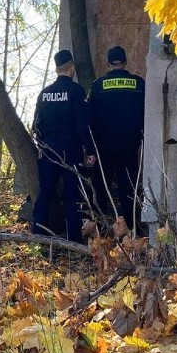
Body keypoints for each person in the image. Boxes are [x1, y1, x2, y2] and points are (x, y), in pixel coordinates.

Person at [32, 49, 92, 244]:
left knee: (46, 192)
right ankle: (73, 240)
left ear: (57, 68)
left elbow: (37, 124)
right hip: (70, 149)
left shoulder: (44, 93)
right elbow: (82, 125)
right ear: (72, 67)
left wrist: (41, 144)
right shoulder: (76, 91)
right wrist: (89, 150)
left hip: (48, 149)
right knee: (71, 194)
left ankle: (38, 235)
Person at [88, 46, 145, 232]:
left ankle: (97, 231)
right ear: (126, 62)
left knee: (101, 188)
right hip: (129, 146)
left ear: (108, 63)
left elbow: (89, 117)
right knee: (128, 190)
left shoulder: (98, 85)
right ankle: (129, 230)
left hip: (104, 147)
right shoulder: (138, 84)